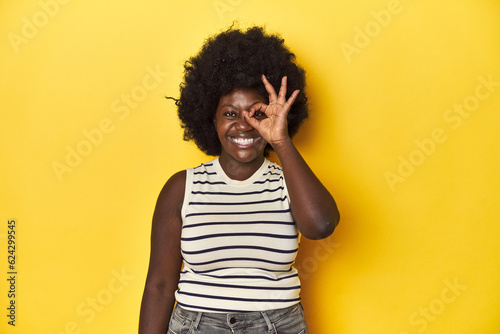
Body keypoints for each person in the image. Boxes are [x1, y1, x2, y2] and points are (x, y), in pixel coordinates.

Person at [139, 25, 340, 334]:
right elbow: (160, 285)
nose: (244, 126)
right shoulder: (182, 188)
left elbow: (321, 226)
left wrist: (281, 140)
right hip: (196, 326)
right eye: (230, 113)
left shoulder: (290, 182)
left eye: (256, 114)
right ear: (211, 118)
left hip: (277, 325)